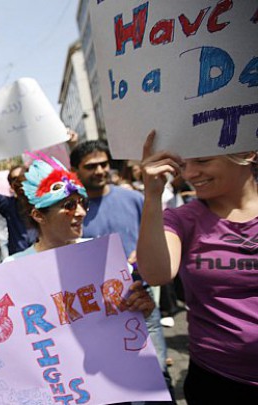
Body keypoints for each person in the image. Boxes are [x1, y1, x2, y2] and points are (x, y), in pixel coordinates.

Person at [137, 131, 258, 403]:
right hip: (218, 380)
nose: (190, 173)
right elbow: (156, 273)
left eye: (203, 161)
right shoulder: (181, 219)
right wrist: (152, 196)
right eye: (184, 164)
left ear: (247, 153)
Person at [70, 140, 174, 400]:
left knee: (157, 372)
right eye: (90, 166)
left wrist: (142, 253)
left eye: (103, 164)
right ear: (75, 170)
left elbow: (159, 236)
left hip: (141, 299)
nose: (99, 170)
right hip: (96, 310)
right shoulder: (72, 212)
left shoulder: (135, 199)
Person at [0, 146, 37, 255]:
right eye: (15, 179)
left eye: (24, 176)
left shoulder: (44, 201)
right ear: (11, 186)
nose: (21, 181)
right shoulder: (9, 205)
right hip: (20, 257)